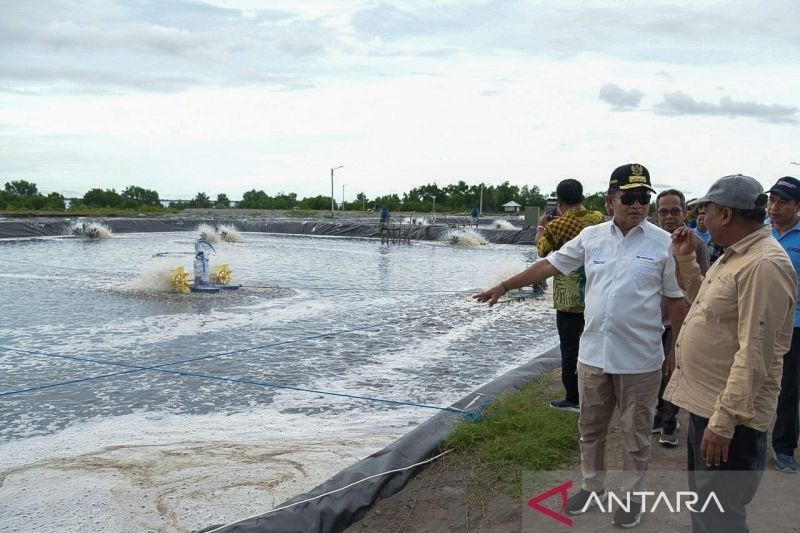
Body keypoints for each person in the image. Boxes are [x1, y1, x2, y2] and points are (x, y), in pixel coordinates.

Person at [475, 163, 687, 529]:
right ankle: (593, 487)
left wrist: (676, 352)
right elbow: (549, 265)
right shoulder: (592, 238)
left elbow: (676, 302)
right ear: (610, 201)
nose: (637, 205)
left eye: (643, 198)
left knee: (636, 435)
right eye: (628, 197)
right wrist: (505, 286)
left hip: (640, 360)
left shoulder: (662, 244)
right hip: (593, 356)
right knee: (591, 429)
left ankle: (632, 497)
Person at [666, 174, 796, 533]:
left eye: (705, 211)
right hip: (710, 405)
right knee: (707, 512)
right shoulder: (735, 256)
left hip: (730, 419)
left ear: (725, 214)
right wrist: (687, 261)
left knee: (720, 518)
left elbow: (755, 354)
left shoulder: (764, 265)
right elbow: (702, 307)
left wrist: (723, 423)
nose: (700, 219)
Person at [535, 179, 604, 412]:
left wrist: (541, 227)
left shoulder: (557, 225)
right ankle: (594, 392)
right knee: (593, 345)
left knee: (570, 348)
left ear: (560, 201)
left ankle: (573, 398)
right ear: (582, 198)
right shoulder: (597, 219)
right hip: (595, 293)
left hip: (569, 299)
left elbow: (541, 251)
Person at [653, 190, 709, 447]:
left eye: (675, 210)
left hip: (681, 320)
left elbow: (705, 285)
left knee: (672, 371)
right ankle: (657, 415)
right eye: (663, 211)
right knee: (652, 371)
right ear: (656, 214)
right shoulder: (650, 241)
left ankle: (669, 422)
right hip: (651, 319)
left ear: (685, 212)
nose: (669, 216)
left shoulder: (697, 244)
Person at [766, 176, 800, 474]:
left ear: (798, 206)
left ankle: (784, 448)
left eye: (783, 202)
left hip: (794, 325)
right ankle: (746, 438)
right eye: (772, 200)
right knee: (751, 379)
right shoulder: (761, 233)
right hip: (758, 320)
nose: (775, 207)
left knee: (787, 388)